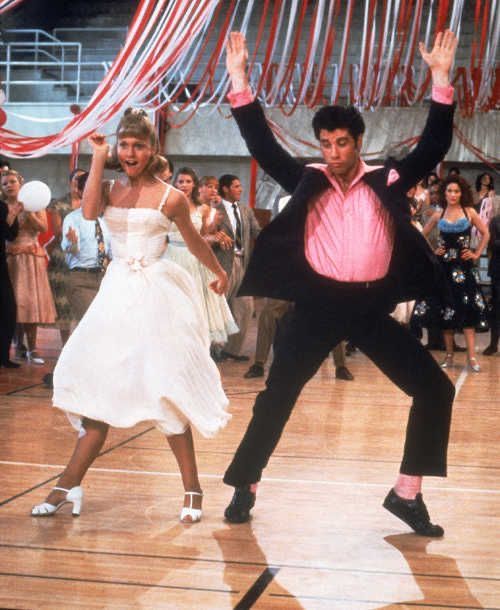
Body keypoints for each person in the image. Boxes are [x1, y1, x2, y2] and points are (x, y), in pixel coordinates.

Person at [222, 30, 458, 536]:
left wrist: (440, 79)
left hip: (370, 308)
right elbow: (260, 141)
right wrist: (240, 80)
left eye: (341, 143)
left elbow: (436, 142)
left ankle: (406, 494)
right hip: (317, 306)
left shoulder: (387, 179)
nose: (332, 152)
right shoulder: (307, 177)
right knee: (278, 395)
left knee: (435, 390)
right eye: (325, 143)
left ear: (358, 143)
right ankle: (247, 483)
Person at [31, 108, 230, 523]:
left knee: (164, 391)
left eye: (138, 145)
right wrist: (98, 154)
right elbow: (87, 215)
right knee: (97, 395)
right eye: (124, 144)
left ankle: (193, 489)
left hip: (155, 297)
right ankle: (67, 485)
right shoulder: (104, 186)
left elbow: (194, 243)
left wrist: (219, 272)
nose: (130, 152)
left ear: (152, 149)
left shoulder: (170, 197)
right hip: (116, 295)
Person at [418, 176, 489, 371]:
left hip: (464, 268)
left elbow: (486, 233)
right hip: (443, 269)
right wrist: (432, 251)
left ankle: (472, 358)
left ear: (462, 193)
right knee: (446, 312)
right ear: (444, 193)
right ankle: (449, 357)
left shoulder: (470, 212)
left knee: (468, 312)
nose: (453, 195)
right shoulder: (437, 215)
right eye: (449, 191)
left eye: (456, 191)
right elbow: (420, 235)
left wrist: (475, 253)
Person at [164, 167, 238, 345]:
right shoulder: (167, 204)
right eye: (180, 181)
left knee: (196, 306)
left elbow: (202, 237)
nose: (184, 185)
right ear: (175, 183)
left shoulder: (203, 209)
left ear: (194, 184)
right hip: (171, 257)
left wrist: (213, 234)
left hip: (194, 259)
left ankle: (198, 350)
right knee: (173, 307)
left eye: (188, 181)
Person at [3, 169, 56, 364]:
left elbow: (43, 228)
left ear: (20, 183)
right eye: (5, 184)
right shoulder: (3, 207)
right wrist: (13, 213)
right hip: (11, 258)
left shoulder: (36, 203)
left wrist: (28, 212)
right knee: (14, 303)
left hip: (31, 257)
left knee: (31, 303)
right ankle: (18, 346)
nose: (9, 186)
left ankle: (33, 349)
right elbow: (5, 232)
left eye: (12, 182)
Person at [216, 174, 261, 361]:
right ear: (225, 189)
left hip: (242, 262)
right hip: (221, 263)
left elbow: (258, 231)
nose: (240, 189)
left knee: (245, 307)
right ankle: (213, 350)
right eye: (236, 186)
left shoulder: (245, 210)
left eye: (240, 186)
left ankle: (232, 350)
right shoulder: (214, 209)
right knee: (218, 308)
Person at [0, 183, 22, 368]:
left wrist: (12, 214)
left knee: (8, 310)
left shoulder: (2, 206)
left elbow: (10, 235)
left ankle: (3, 356)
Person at [483, 212, 500, 355]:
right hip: (498, 271)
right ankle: (493, 344)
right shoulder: (495, 221)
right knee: (497, 309)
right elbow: (493, 243)